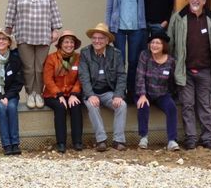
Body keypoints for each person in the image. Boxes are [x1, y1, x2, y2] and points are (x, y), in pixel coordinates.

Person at [5, 0, 63, 109]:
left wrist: (55, 29)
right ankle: (30, 93)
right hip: (24, 35)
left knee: (41, 67)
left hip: (44, 35)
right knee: (28, 67)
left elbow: (54, 10)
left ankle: (39, 93)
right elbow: (10, 12)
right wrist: (7, 32)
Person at [168, 0, 211, 150]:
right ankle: (190, 138)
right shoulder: (179, 17)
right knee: (188, 105)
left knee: (205, 105)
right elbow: (170, 43)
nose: (195, 0)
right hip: (185, 71)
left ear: (204, 1)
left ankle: (208, 138)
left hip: (205, 70)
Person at [78, 22, 128, 152]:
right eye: (94, 38)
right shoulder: (85, 53)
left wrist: (118, 95)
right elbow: (83, 76)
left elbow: (122, 75)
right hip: (92, 91)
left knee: (121, 105)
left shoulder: (116, 54)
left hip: (108, 92)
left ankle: (118, 140)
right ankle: (101, 140)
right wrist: (90, 95)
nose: (97, 41)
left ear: (107, 40)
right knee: (92, 105)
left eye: (100, 38)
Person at [105, 0, 147, 100]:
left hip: (136, 28)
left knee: (134, 61)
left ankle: (133, 91)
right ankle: (120, 91)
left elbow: (141, 6)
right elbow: (109, 9)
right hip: (119, 29)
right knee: (120, 61)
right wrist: (108, 28)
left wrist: (143, 25)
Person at [135, 31, 179, 151]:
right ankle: (143, 137)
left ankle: (172, 140)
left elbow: (171, 81)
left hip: (162, 93)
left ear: (163, 45)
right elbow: (140, 76)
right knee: (143, 105)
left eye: (158, 43)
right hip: (145, 92)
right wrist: (142, 95)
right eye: (152, 42)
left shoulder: (170, 61)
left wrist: (171, 95)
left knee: (172, 108)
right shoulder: (144, 55)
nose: (154, 45)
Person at [42, 30, 84, 153]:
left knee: (76, 106)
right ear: (60, 44)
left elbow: (81, 78)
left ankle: (77, 142)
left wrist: (74, 94)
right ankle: (61, 143)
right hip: (53, 94)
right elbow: (47, 79)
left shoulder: (79, 58)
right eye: (66, 42)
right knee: (60, 107)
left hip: (72, 93)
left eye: (71, 42)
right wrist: (58, 94)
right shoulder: (52, 58)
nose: (69, 45)